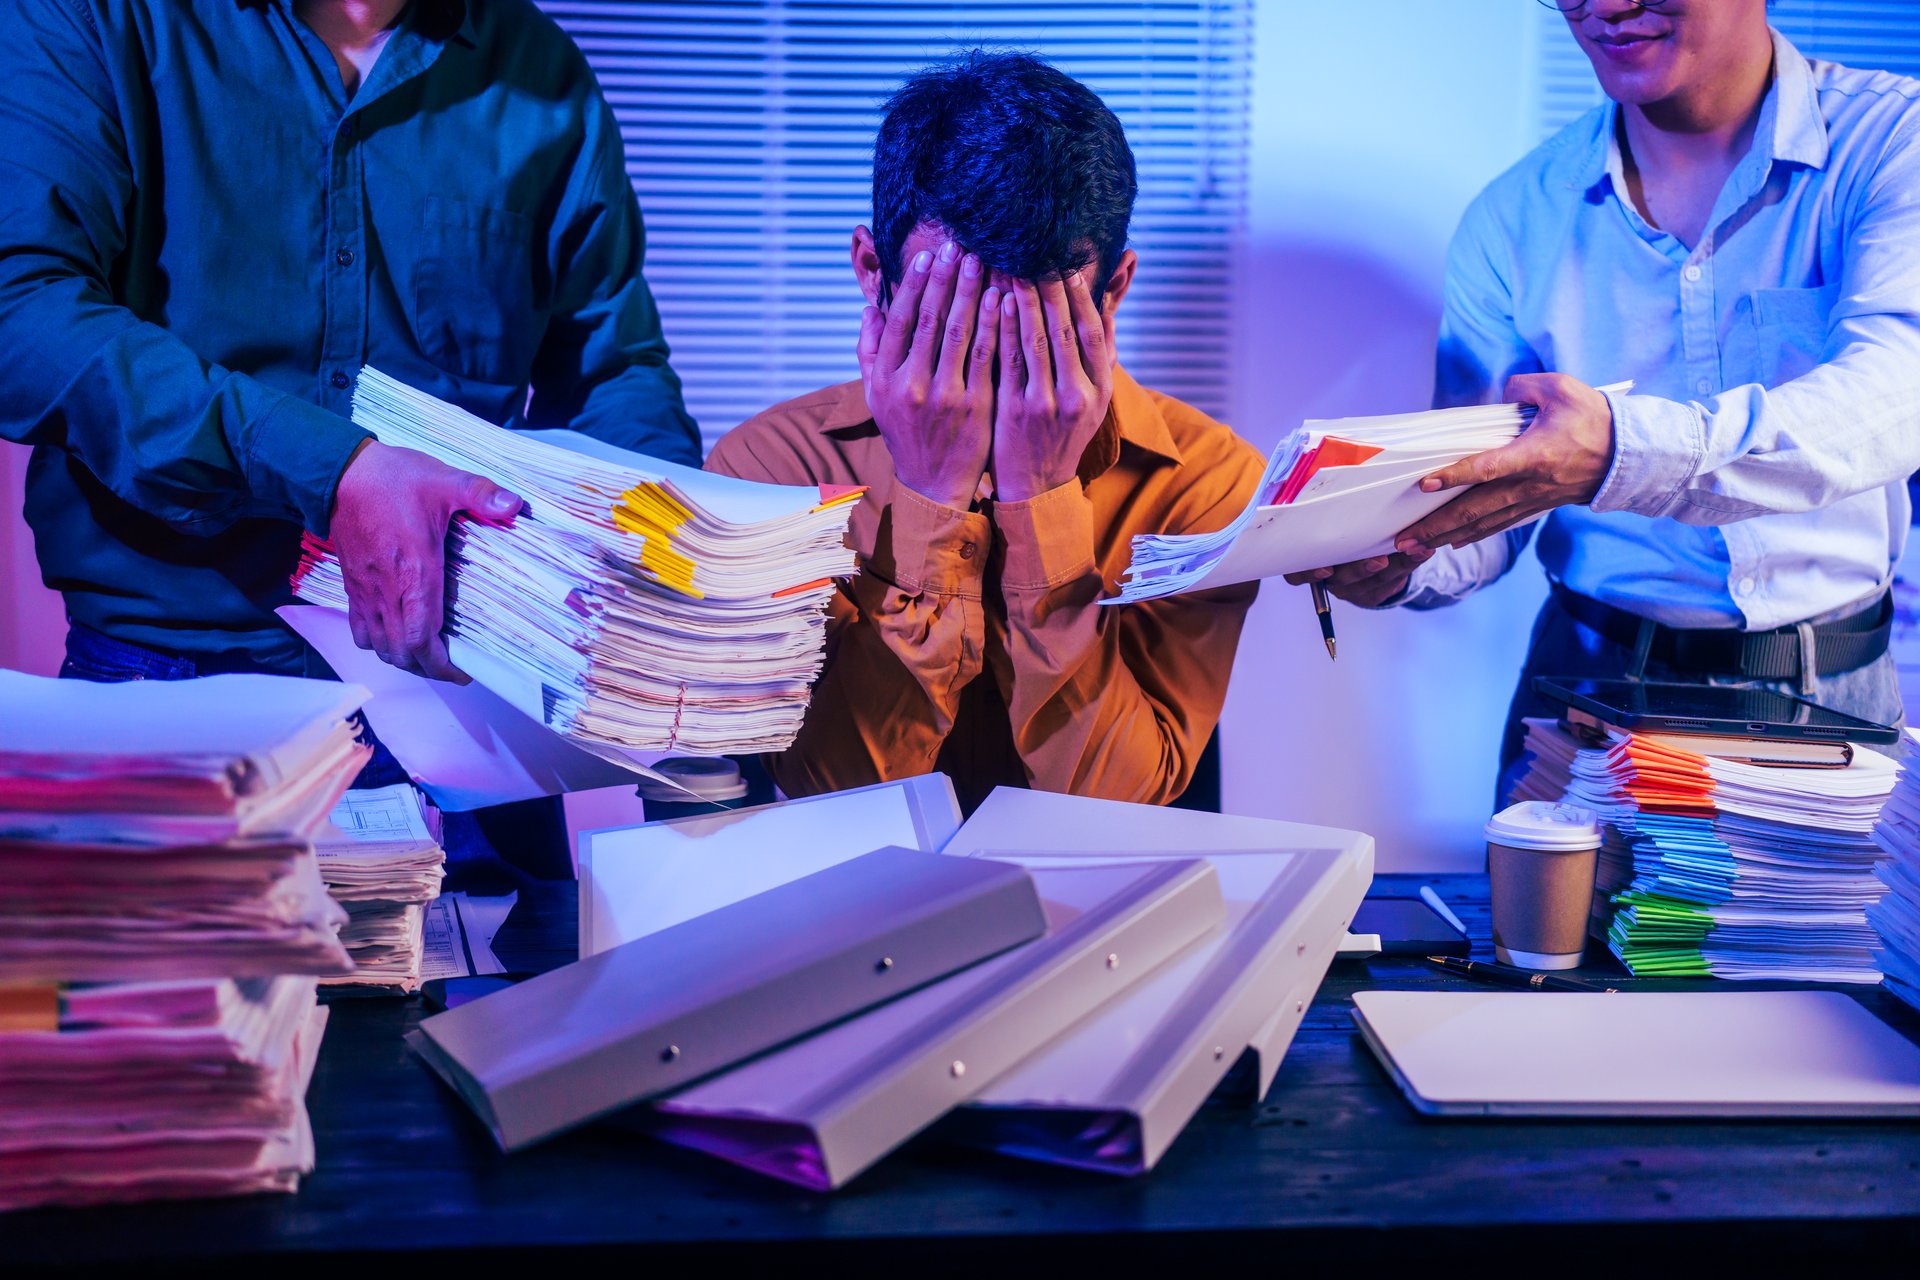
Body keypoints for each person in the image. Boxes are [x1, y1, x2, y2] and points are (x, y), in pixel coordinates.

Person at [0, 0, 700, 881]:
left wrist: (682, 571)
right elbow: (20, 311)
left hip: (476, 717)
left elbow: (612, 371)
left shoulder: (543, 74)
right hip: (167, 692)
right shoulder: (95, 18)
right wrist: (334, 473)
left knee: (523, 1017)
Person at [1293, 0, 1920, 794]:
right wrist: (1399, 558)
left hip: (1829, 695)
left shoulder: (1893, 143)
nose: (1607, 7)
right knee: (1537, 929)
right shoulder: (1512, 218)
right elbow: (1491, 499)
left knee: (1826, 926)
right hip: (1586, 686)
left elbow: (1895, 395)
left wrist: (1619, 452)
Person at [706, 52, 1264, 813]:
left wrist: (1042, 498)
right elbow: (840, 802)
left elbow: (1123, 811)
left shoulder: (1201, 478)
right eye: (953, 323)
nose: (993, 370)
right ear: (874, 272)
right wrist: (932, 494)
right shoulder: (768, 468)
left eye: (1041, 327)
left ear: (1114, 293)